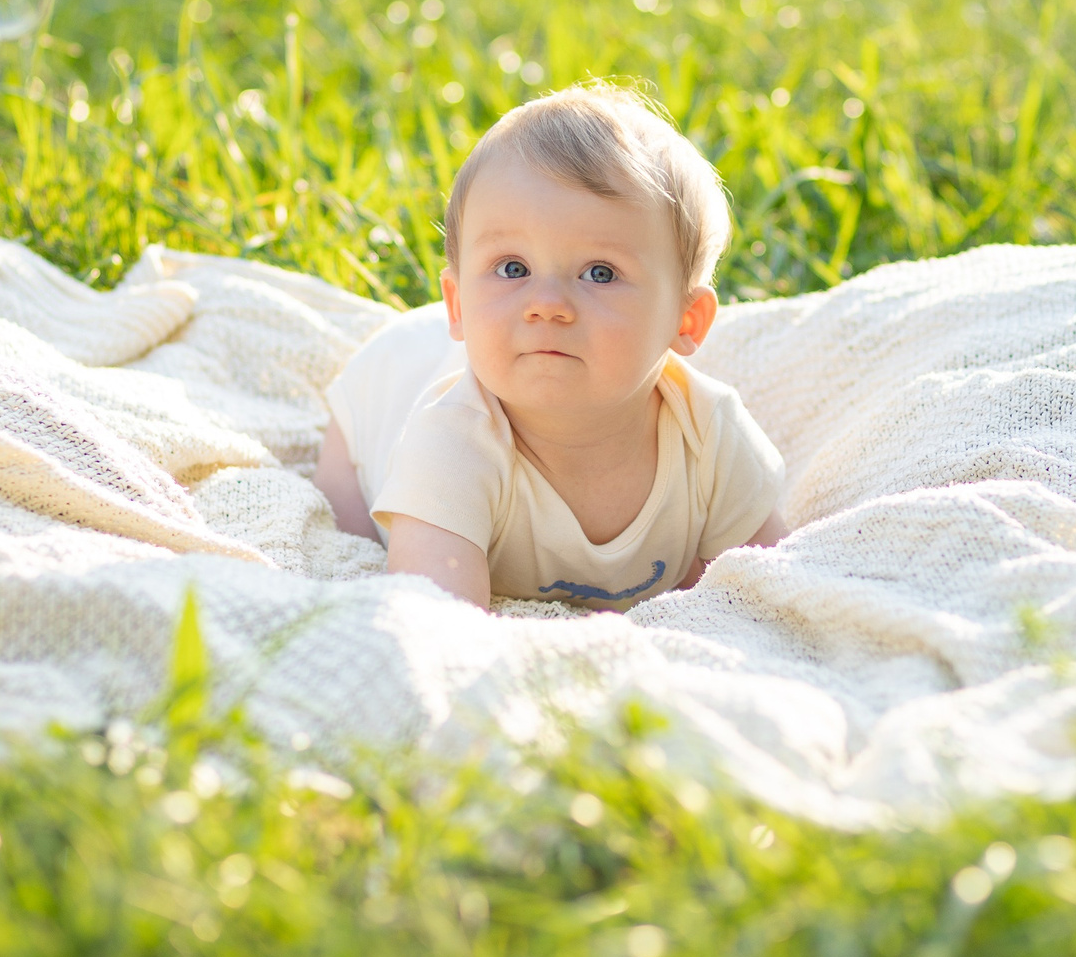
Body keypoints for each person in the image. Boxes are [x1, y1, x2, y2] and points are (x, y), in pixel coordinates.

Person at [313, 83, 788, 609]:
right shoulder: (451, 441)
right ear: (459, 306)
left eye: (600, 272)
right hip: (382, 394)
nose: (546, 304)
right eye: (512, 268)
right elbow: (436, 624)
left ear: (687, 319)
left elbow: (769, 591)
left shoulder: (710, 437)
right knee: (347, 544)